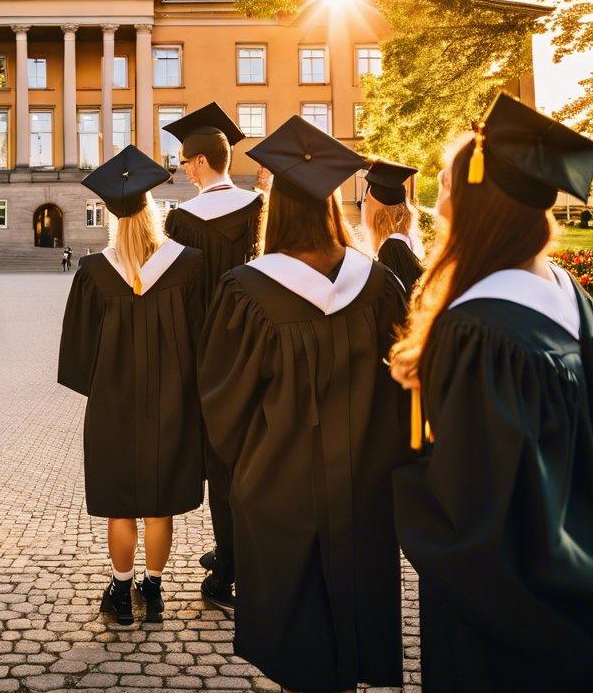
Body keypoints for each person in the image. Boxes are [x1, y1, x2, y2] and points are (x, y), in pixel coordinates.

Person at [390, 94, 593, 693]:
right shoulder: (574, 303)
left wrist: (399, 473)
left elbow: (473, 513)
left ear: (477, 204)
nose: (438, 200)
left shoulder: (479, 333)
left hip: (507, 625)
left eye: (449, 184)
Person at [199, 116, 409, 693]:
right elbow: (405, 393)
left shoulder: (247, 291)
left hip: (280, 492)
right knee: (351, 620)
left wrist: (258, 466)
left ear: (279, 209)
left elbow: (223, 404)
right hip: (365, 490)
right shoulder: (380, 285)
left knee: (300, 646)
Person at [58, 145, 206, 627]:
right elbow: (205, 340)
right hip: (172, 405)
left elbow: (78, 357)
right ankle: (155, 591)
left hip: (113, 408)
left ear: (113, 219)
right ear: (156, 212)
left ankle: (121, 595)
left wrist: (104, 387)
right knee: (159, 504)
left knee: (120, 505)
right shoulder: (189, 267)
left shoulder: (94, 273)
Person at [161, 101, 264, 611]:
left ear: (200, 164)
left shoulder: (182, 221)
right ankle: (245, 551)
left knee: (222, 462)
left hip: (207, 356)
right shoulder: (259, 208)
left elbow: (176, 295)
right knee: (255, 456)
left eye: (183, 162)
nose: (181, 169)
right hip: (259, 347)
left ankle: (229, 567)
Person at [363, 158, 425, 292]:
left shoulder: (392, 247)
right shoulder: (404, 239)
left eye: (367, 201)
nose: (365, 206)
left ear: (377, 210)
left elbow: (393, 302)